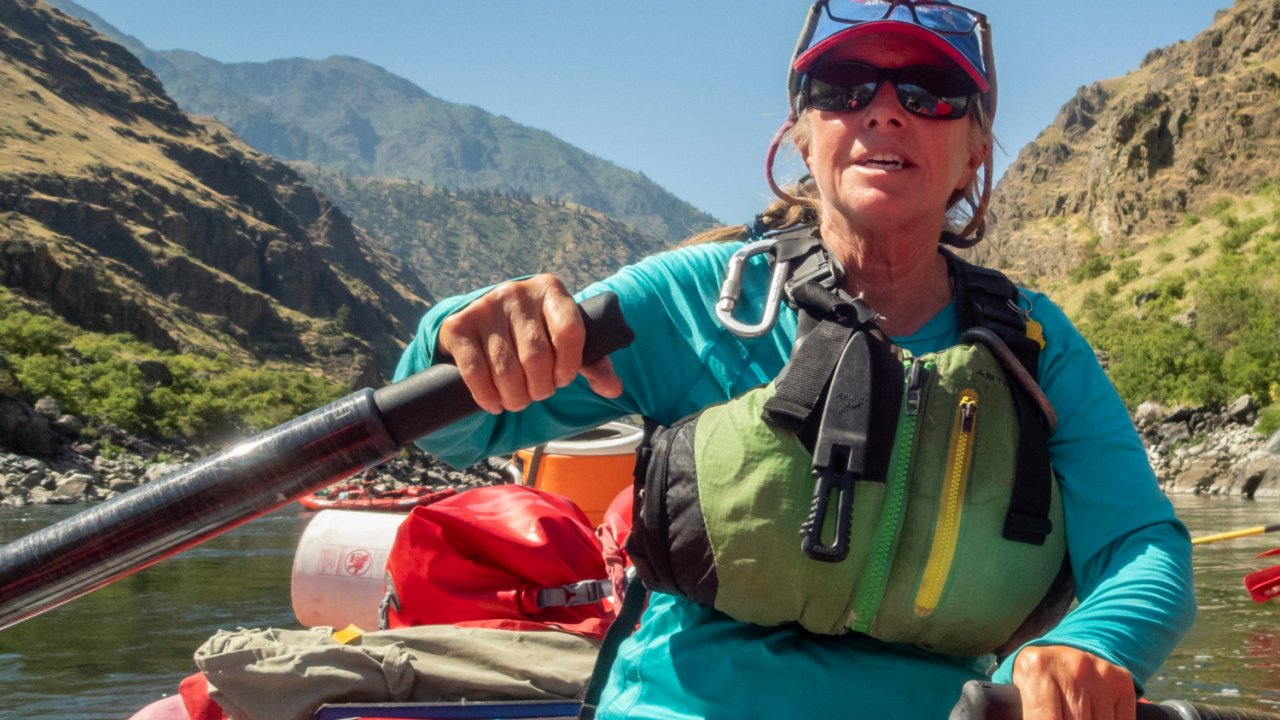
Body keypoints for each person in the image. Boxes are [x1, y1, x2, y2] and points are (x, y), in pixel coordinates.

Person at [394, 1, 1196, 718]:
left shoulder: (1037, 346)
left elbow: (1142, 545)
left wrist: (1095, 644)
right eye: (844, 87)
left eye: (929, 92)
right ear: (802, 137)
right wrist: (457, 337)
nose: (884, 111)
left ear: (975, 151)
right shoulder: (707, 300)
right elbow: (455, 436)